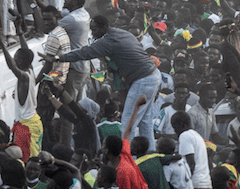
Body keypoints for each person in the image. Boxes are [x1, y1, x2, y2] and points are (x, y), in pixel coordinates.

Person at [56, 14, 162, 148]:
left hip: (143, 79)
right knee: (145, 122)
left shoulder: (108, 41)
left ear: (105, 27)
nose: (93, 33)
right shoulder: (123, 33)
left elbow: (85, 52)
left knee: (128, 124)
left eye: (95, 30)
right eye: (91, 29)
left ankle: (128, 160)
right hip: (153, 76)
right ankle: (150, 156)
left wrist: (59, 58)